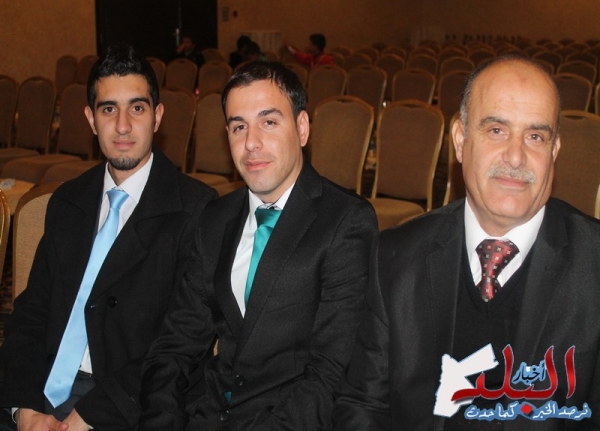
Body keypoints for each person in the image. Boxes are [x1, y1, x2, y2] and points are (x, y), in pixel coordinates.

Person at [333, 54, 600, 429]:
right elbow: (364, 403)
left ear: (554, 151)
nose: (516, 156)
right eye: (496, 130)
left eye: (535, 136)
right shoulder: (397, 257)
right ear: (460, 140)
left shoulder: (594, 265)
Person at [139, 61, 378, 430]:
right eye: (239, 127)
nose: (251, 142)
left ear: (302, 128)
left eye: (268, 122)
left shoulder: (345, 222)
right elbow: (175, 345)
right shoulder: (214, 219)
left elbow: (330, 374)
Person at [0, 43, 217, 430]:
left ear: (158, 116)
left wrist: (91, 415)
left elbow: (180, 342)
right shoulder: (68, 201)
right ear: (90, 119)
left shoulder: (196, 210)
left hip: (128, 403)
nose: (122, 126)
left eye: (137, 108)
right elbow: (32, 314)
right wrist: (24, 408)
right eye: (108, 109)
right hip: (40, 393)